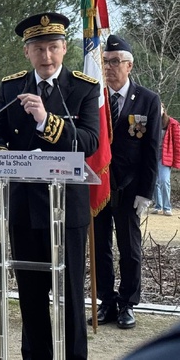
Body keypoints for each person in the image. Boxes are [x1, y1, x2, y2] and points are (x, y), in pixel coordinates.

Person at [0, 12, 100, 360]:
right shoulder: (12, 86)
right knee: (30, 294)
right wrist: (2, 157)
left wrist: (47, 120)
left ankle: (73, 356)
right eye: (38, 49)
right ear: (26, 52)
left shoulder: (84, 87)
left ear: (64, 49)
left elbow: (89, 143)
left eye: (53, 48)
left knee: (70, 294)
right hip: (22, 205)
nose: (46, 56)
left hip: (66, 209)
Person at [90, 35, 161, 330]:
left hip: (130, 187)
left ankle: (128, 303)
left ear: (129, 65)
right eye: (105, 61)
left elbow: (152, 149)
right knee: (100, 247)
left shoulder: (147, 99)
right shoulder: (93, 97)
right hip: (98, 184)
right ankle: (106, 302)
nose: (109, 67)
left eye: (115, 61)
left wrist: (146, 192)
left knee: (129, 249)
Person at [151, 102, 180, 216]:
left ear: (163, 109)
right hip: (152, 155)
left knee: (164, 180)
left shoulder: (171, 123)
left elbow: (177, 142)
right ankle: (158, 206)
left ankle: (167, 207)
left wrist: (177, 157)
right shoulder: (150, 122)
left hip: (165, 155)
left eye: (160, 108)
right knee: (154, 181)